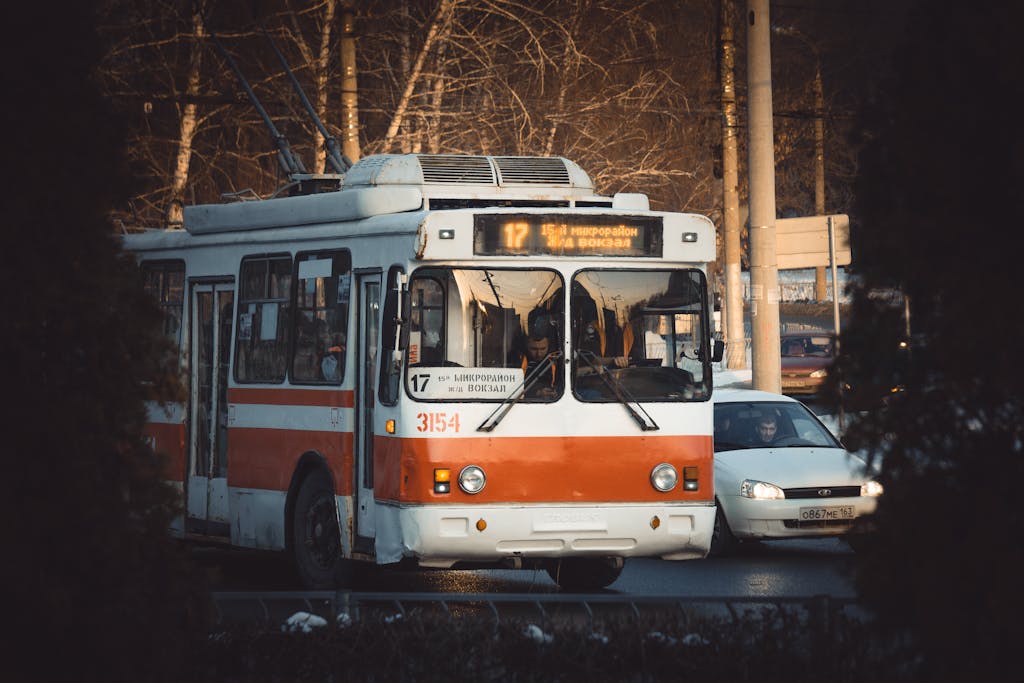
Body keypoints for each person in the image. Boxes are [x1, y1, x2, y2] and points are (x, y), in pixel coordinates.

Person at [520, 333, 561, 398]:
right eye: (534, 349)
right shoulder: (518, 361)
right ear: (526, 346)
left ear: (549, 347)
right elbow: (513, 389)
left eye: (543, 349)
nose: (538, 354)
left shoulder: (555, 361)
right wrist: (537, 393)